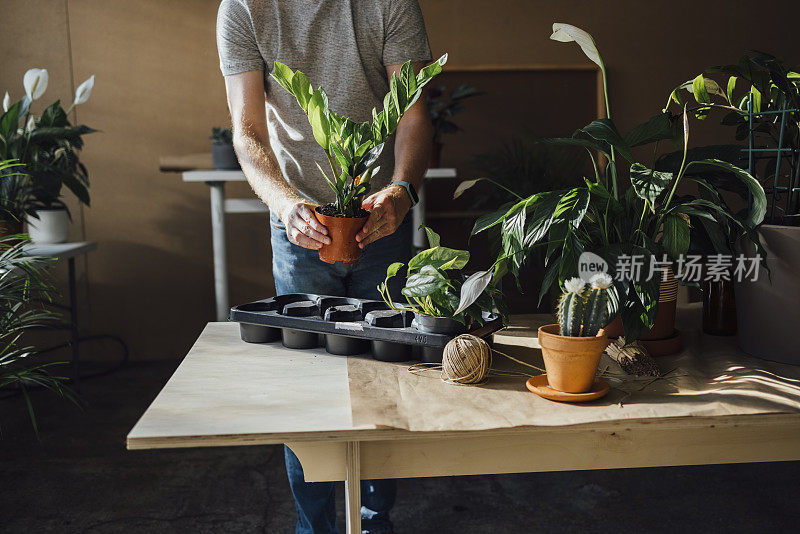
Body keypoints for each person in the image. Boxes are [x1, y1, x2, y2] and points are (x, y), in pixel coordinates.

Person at [216, 1, 434, 532]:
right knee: (305, 388)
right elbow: (247, 131)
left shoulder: (389, 4)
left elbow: (413, 112)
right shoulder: (243, 9)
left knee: (388, 378)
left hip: (379, 218)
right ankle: (313, 528)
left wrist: (402, 191)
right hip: (297, 226)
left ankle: (376, 523)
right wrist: (286, 205)